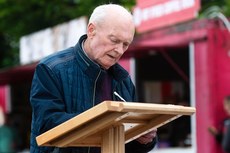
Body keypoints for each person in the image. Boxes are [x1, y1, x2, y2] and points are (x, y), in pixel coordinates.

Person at [29, 4, 157, 153]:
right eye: (114, 40)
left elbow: (129, 146)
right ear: (91, 30)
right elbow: (46, 126)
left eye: (126, 44)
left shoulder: (123, 80)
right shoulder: (51, 69)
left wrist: (144, 139)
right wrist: (105, 122)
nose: (120, 50)